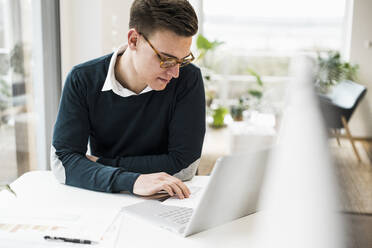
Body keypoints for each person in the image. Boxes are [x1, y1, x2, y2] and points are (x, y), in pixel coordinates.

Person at [51, 0, 205, 199]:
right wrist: (131, 180)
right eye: (166, 59)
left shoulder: (188, 79)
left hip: (171, 199)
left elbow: (186, 166)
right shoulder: (83, 79)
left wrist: (97, 164)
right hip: (104, 198)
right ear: (133, 40)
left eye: (182, 60)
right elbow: (62, 163)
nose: (175, 73)